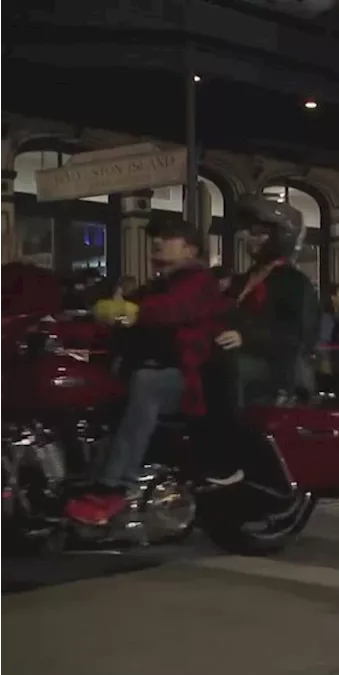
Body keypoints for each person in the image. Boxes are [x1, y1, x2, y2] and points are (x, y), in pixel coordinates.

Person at [65, 218, 232, 525]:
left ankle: (115, 487)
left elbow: (173, 308)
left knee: (146, 383)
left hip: (186, 375)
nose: (157, 243)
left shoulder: (199, 281)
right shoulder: (156, 285)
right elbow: (120, 317)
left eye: (168, 237)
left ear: (190, 248)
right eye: (155, 237)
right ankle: (82, 475)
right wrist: (70, 327)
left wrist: (134, 312)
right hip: (152, 368)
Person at [219, 196, 320, 407]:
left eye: (259, 232)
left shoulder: (295, 282)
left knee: (229, 368)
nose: (249, 237)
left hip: (276, 369)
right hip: (233, 355)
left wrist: (246, 336)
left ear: (281, 236)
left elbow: (299, 333)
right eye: (249, 231)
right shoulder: (243, 279)